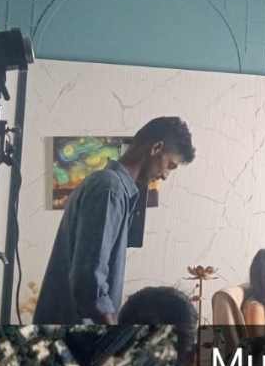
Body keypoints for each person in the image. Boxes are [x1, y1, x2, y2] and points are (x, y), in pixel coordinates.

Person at [34, 117, 195, 324]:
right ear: (156, 148)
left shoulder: (113, 188)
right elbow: (90, 280)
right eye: (170, 166)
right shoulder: (109, 189)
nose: (165, 176)